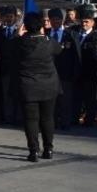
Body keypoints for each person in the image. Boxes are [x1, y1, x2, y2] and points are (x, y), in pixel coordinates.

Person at [14, 12, 61, 161]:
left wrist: (17, 35)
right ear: (41, 25)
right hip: (49, 85)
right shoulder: (49, 41)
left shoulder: (20, 42)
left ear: (25, 26)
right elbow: (59, 50)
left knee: (31, 120)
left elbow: (8, 51)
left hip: (28, 86)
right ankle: (48, 149)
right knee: (47, 118)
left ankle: (33, 151)